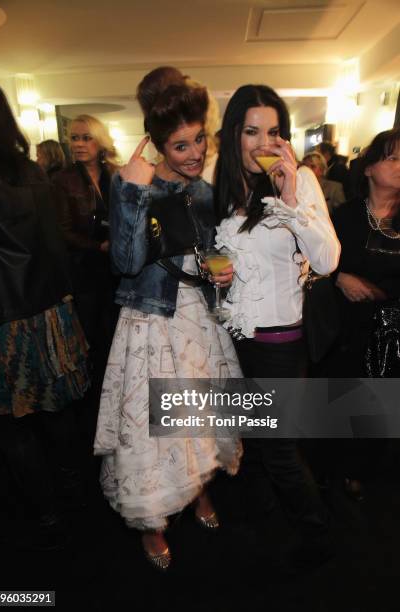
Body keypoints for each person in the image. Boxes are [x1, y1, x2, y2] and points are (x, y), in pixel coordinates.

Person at [94, 67, 242, 570]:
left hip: (200, 319)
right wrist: (133, 193)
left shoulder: (205, 188)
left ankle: (198, 488)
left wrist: (224, 270)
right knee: (158, 430)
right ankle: (154, 521)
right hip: (153, 321)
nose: (196, 152)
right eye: (181, 146)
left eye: (199, 139)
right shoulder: (133, 183)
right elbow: (126, 263)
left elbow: (213, 249)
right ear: (157, 144)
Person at [214, 84, 341, 564]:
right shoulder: (223, 187)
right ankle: (263, 517)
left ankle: (317, 537)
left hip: (281, 341)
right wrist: (214, 273)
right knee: (254, 439)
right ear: (234, 135)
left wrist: (290, 200)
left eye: (273, 132)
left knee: (281, 449)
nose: (264, 143)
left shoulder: (300, 180)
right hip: (235, 337)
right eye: (251, 131)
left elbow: (327, 261)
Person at [0, 80, 90, 549]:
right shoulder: (31, 171)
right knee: (57, 410)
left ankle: (47, 511)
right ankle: (74, 492)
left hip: (1, 320)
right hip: (49, 312)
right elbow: (55, 247)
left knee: (13, 424)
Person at [324, 128, 400, 500]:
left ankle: (367, 470)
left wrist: (380, 293)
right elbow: (316, 263)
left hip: (393, 330)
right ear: (369, 168)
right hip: (347, 328)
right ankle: (340, 467)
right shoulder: (345, 215)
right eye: (393, 158)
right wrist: (339, 278)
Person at [52, 114, 120, 361]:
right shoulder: (63, 179)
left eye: (86, 138)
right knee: (89, 333)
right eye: (74, 138)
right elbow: (62, 230)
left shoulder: (114, 174)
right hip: (83, 268)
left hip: (115, 266)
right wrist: (98, 246)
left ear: (100, 142)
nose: (79, 144)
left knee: (114, 329)